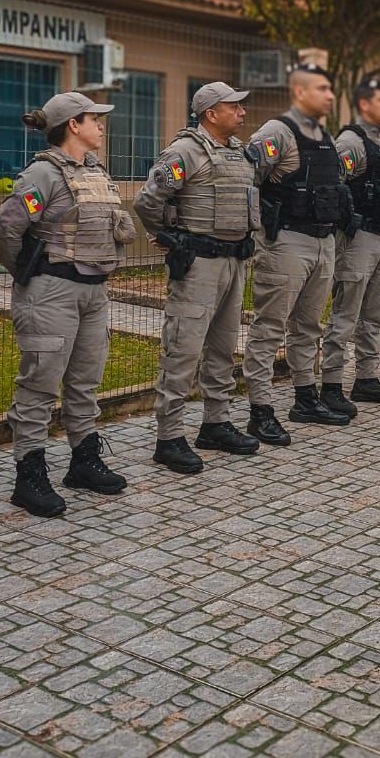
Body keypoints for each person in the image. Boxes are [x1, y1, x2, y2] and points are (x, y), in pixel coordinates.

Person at [0, 92, 135, 517]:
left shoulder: (95, 170)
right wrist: (27, 274)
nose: (101, 126)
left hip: (94, 291)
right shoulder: (43, 174)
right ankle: (29, 472)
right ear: (73, 124)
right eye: (95, 118)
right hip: (52, 290)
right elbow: (7, 229)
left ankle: (83, 460)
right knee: (39, 383)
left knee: (85, 381)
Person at [133, 82, 262, 474]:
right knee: (183, 349)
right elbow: (147, 201)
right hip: (198, 265)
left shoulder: (239, 153)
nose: (241, 113)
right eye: (233, 107)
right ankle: (169, 437)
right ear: (211, 113)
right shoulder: (185, 151)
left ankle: (216, 423)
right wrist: (170, 237)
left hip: (234, 263)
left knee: (223, 347)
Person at [244, 65, 347, 433]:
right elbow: (247, 179)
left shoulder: (323, 134)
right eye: (323, 88)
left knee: (308, 325)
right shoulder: (277, 132)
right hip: (286, 241)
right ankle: (260, 409)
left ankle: (305, 398)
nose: (330, 95)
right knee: (269, 328)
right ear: (300, 93)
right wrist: (257, 227)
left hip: (323, 241)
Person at [322, 77, 380, 409]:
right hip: (357, 239)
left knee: (373, 314)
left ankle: (367, 379)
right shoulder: (351, 142)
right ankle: (330, 384)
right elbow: (333, 187)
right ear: (364, 105)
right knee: (346, 314)